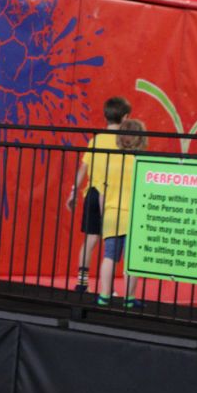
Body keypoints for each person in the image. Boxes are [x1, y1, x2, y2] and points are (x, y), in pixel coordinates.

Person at [66, 96, 132, 293]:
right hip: (114, 196)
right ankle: (107, 289)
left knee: (91, 238)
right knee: (111, 244)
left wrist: (73, 192)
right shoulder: (124, 142)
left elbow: (83, 168)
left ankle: (82, 282)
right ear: (126, 117)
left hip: (93, 193)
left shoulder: (96, 139)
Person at [94, 118, 147, 308]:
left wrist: (103, 215)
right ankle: (129, 299)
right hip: (134, 216)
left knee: (109, 257)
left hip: (111, 215)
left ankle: (104, 295)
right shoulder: (142, 163)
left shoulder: (109, 161)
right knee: (132, 261)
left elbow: (101, 193)